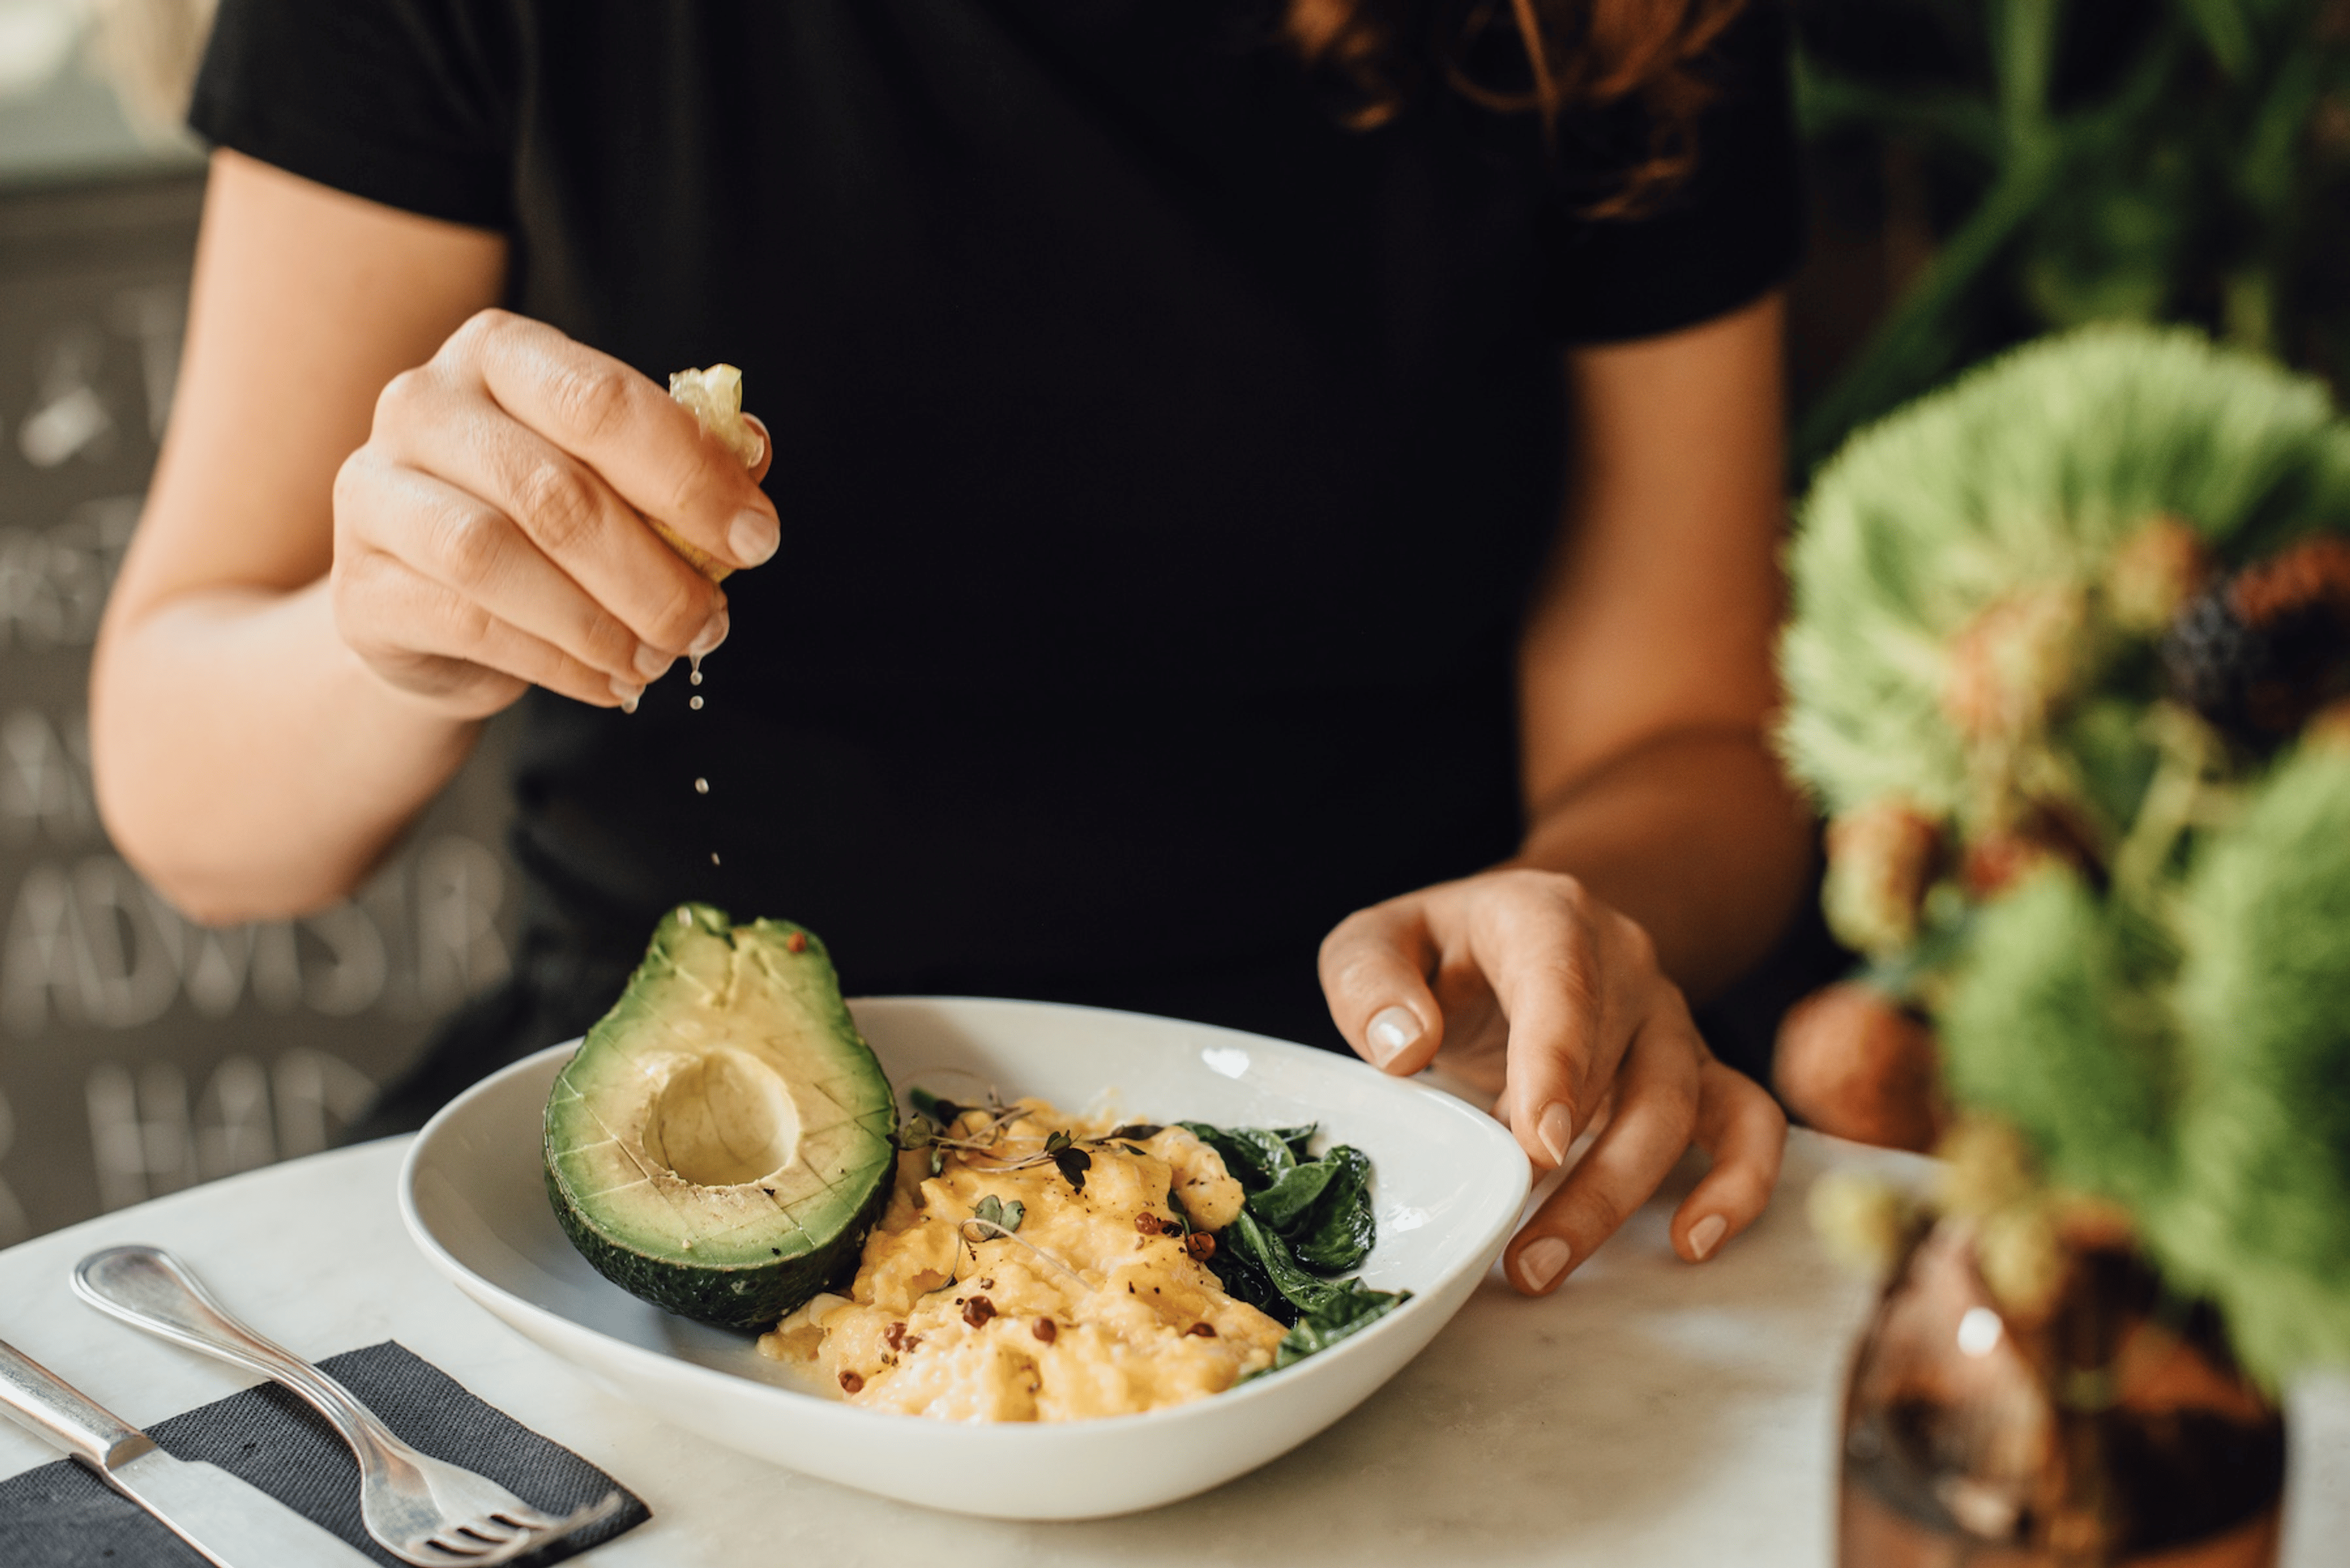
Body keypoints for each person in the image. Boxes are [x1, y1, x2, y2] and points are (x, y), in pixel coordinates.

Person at [89, 0, 1812, 1298]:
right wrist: (395, 634)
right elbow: (193, 790)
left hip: (1381, 1154)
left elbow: (1691, 738)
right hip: (637, 1194)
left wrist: (1578, 916)